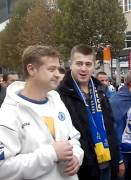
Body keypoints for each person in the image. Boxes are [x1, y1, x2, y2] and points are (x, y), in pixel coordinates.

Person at [0, 45, 84, 180]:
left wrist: (77, 156)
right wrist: (51, 153)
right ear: (31, 69)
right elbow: (3, 169)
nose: (58, 74)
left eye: (58, 68)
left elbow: (73, 138)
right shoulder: (9, 112)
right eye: (51, 69)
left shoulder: (57, 101)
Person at [57, 44, 120, 180]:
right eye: (79, 63)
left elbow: (111, 126)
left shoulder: (101, 90)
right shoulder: (60, 95)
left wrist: (118, 158)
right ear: (70, 64)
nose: (84, 68)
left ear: (94, 66)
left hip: (108, 161)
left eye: (88, 64)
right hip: (83, 167)